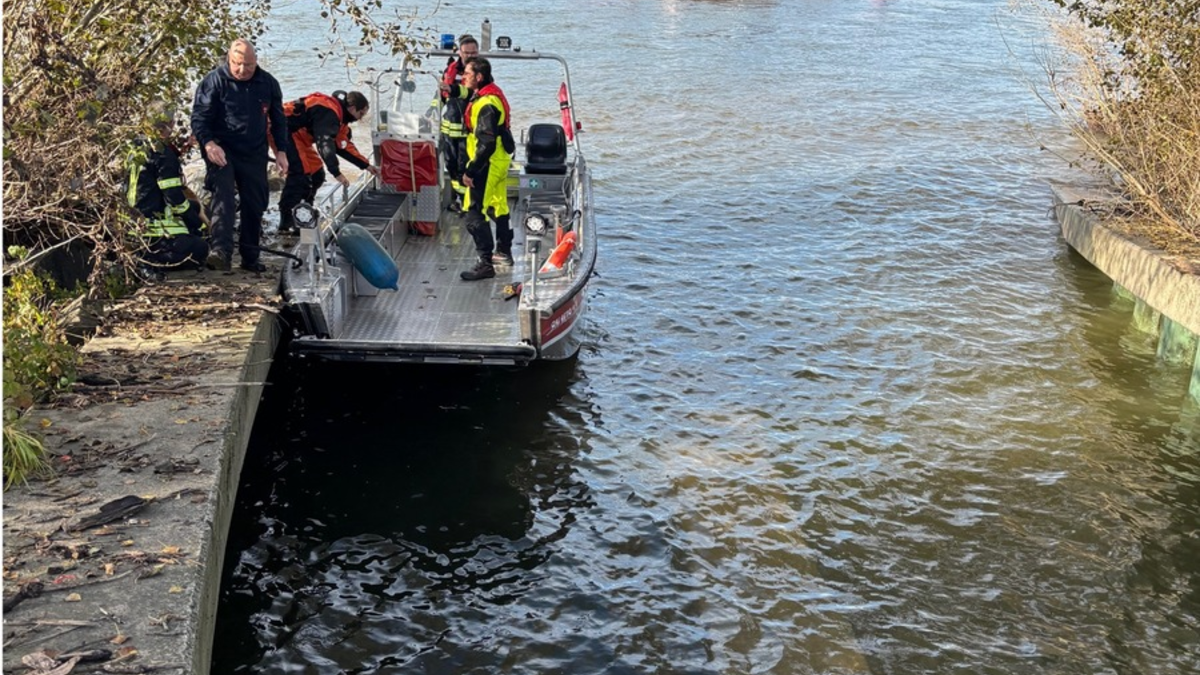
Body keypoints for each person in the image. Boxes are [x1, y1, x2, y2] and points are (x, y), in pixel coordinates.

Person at [190, 38, 290, 272]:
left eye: (248, 65)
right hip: (221, 149)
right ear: (229, 59)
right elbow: (199, 118)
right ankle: (220, 252)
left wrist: (281, 151)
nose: (243, 70)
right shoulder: (214, 81)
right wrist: (209, 144)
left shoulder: (268, 83)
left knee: (254, 202)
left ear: (256, 62)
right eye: (237, 64)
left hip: (254, 151)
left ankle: (250, 257)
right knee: (223, 196)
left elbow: (278, 121)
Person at [276, 90, 379, 235]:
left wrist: (367, 165)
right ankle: (287, 222)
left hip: (298, 136)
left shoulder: (340, 119)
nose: (360, 119)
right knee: (300, 174)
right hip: (281, 129)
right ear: (352, 108)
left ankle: (305, 211)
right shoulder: (329, 112)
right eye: (361, 114)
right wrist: (336, 172)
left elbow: (343, 146)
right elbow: (324, 143)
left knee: (317, 174)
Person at [450, 57, 515, 281]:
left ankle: (485, 262)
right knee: (499, 206)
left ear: (479, 77)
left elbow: (486, 142)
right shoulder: (488, 94)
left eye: (467, 74)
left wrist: (470, 171)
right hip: (499, 160)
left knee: (473, 212)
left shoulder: (487, 104)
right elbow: (464, 93)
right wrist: (449, 88)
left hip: (487, 162)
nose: (463, 77)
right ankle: (504, 251)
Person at [126, 105, 209, 274]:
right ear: (170, 124)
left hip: (131, 231)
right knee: (201, 248)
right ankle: (152, 261)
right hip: (153, 239)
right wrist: (196, 222)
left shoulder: (134, 147)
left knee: (194, 206)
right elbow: (174, 199)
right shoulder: (163, 154)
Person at [439, 35, 479, 210]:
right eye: (466, 53)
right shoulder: (451, 69)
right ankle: (458, 200)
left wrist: (453, 89)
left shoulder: (481, 73)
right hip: (450, 128)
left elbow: (471, 94)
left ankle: (467, 203)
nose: (470, 56)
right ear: (460, 53)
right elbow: (441, 97)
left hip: (469, 130)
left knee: (466, 167)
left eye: (473, 53)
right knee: (451, 165)